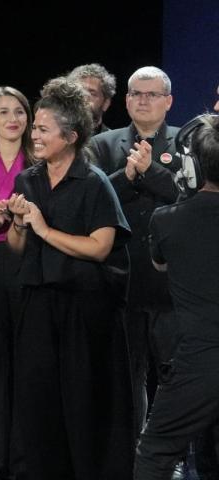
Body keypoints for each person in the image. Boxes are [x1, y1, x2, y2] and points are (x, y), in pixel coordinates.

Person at [0, 77, 133, 480]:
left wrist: (42, 228)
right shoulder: (28, 180)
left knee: (82, 405)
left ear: (70, 137)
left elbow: (100, 247)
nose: (33, 135)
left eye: (42, 129)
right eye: (35, 127)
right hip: (38, 306)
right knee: (40, 404)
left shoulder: (93, 183)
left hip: (84, 311)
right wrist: (20, 224)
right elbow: (17, 249)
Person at [88, 66, 181, 440]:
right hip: (120, 280)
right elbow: (92, 202)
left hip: (171, 282)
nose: (143, 100)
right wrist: (127, 177)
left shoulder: (187, 141)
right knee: (128, 374)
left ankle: (169, 450)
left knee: (174, 374)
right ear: (125, 100)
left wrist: (151, 171)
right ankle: (132, 450)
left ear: (169, 101)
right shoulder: (103, 145)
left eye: (152, 94)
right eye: (136, 94)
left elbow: (191, 198)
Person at [134, 116, 219, 479]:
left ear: (191, 167)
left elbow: (161, 265)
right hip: (199, 360)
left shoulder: (166, 220)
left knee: (154, 452)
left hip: (198, 362)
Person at [0, 86, 33, 480]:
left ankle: (29, 455)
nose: (13, 118)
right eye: (4, 111)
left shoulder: (38, 163)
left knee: (29, 363)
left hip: (30, 263)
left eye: (19, 111)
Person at [68, 63, 117, 135]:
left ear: (106, 103)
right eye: (79, 92)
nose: (84, 98)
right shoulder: (56, 137)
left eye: (92, 94)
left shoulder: (113, 143)